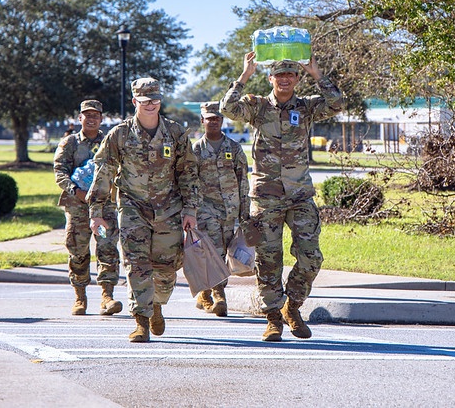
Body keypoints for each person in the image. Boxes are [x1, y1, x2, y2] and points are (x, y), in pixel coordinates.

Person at [220, 53, 345, 341]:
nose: (285, 79)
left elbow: (337, 104)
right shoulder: (258, 106)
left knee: (311, 257)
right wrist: (244, 75)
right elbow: (227, 107)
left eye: (291, 74)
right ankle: (273, 317)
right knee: (268, 259)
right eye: (280, 74)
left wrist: (317, 74)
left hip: (300, 194)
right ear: (271, 78)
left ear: (297, 79)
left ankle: (293, 306)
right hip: (266, 196)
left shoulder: (307, 107)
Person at [88, 78, 200, 343]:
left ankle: (156, 305)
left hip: (169, 210)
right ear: (135, 101)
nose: (151, 105)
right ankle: (141, 321)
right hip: (132, 207)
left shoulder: (175, 133)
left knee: (166, 271)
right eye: (145, 100)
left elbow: (188, 172)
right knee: (136, 265)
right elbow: (104, 171)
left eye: (155, 100)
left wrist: (190, 210)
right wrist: (96, 211)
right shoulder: (120, 134)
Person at [54, 99, 122, 316]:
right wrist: (76, 191)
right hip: (78, 208)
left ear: (101, 119)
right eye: (87, 115)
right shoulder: (70, 143)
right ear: (80, 118)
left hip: (103, 209)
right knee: (78, 250)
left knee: (107, 247)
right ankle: (80, 297)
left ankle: (107, 296)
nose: (91, 119)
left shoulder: (109, 142)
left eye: (96, 115)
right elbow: (59, 172)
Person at [191, 101, 250, 317]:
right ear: (202, 121)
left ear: (222, 120)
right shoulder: (196, 150)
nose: (213, 122)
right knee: (214, 249)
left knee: (225, 250)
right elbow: (188, 181)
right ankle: (219, 295)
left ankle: (204, 293)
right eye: (209, 118)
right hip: (206, 210)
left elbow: (243, 180)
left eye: (217, 118)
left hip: (230, 210)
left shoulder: (234, 149)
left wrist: (245, 211)